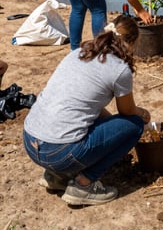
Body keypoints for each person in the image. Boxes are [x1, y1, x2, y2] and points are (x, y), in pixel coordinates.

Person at [22, 15, 151, 206]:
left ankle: (56, 177)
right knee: (135, 125)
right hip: (59, 153)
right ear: (131, 42)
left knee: (78, 119)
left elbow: (88, 105)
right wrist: (143, 114)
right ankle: (84, 185)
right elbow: (127, 112)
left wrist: (110, 126)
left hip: (30, 140)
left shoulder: (79, 52)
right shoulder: (119, 69)